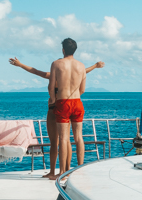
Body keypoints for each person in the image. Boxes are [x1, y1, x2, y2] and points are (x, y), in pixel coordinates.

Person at [8, 56, 103, 180]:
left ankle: (55, 171)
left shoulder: (54, 76)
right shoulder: (69, 77)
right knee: (66, 140)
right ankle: (66, 170)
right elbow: (84, 71)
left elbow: (35, 71)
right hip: (66, 107)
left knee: (56, 142)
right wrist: (95, 66)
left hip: (55, 109)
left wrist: (20, 64)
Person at [49, 38, 87, 176]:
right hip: (77, 101)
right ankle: (80, 169)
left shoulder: (56, 64)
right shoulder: (81, 66)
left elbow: (51, 86)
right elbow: (82, 89)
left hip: (63, 102)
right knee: (79, 137)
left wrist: (53, 99)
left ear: (63, 50)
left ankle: (63, 172)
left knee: (64, 138)